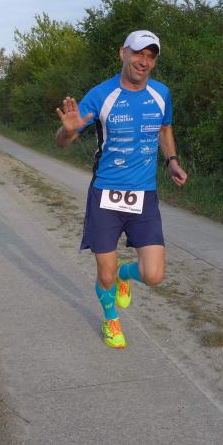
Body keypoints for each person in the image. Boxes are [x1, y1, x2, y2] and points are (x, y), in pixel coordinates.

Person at [55, 30, 187, 349]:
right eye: (138, 53)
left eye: (151, 56)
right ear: (123, 53)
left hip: (144, 196)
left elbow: (164, 128)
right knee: (104, 275)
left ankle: (124, 276)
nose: (144, 61)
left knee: (153, 275)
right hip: (105, 195)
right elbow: (62, 141)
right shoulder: (102, 95)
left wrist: (171, 160)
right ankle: (111, 318)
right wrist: (68, 131)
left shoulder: (161, 94)